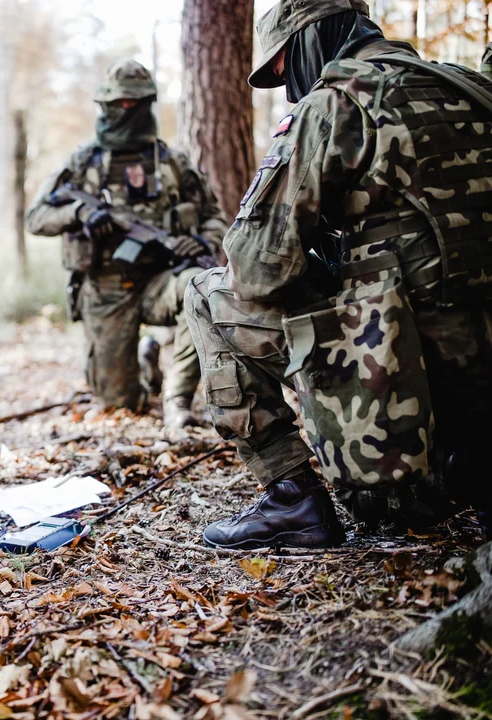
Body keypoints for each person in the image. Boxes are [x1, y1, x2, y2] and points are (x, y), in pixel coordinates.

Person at [187, 0, 492, 550]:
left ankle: (292, 499)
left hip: (402, 366)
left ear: (311, 40)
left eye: (284, 68)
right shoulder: (471, 87)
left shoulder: (334, 106)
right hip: (479, 360)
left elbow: (256, 272)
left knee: (206, 294)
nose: (286, 88)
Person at [25, 58, 229, 430]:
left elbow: (214, 215)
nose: (127, 110)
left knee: (202, 289)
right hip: (106, 289)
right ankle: (145, 359)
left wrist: (201, 242)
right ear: (105, 106)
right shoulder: (84, 162)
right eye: (119, 104)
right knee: (121, 403)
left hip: (161, 282)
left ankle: (177, 400)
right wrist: (78, 215)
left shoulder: (172, 163)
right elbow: (35, 217)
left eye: (135, 103)